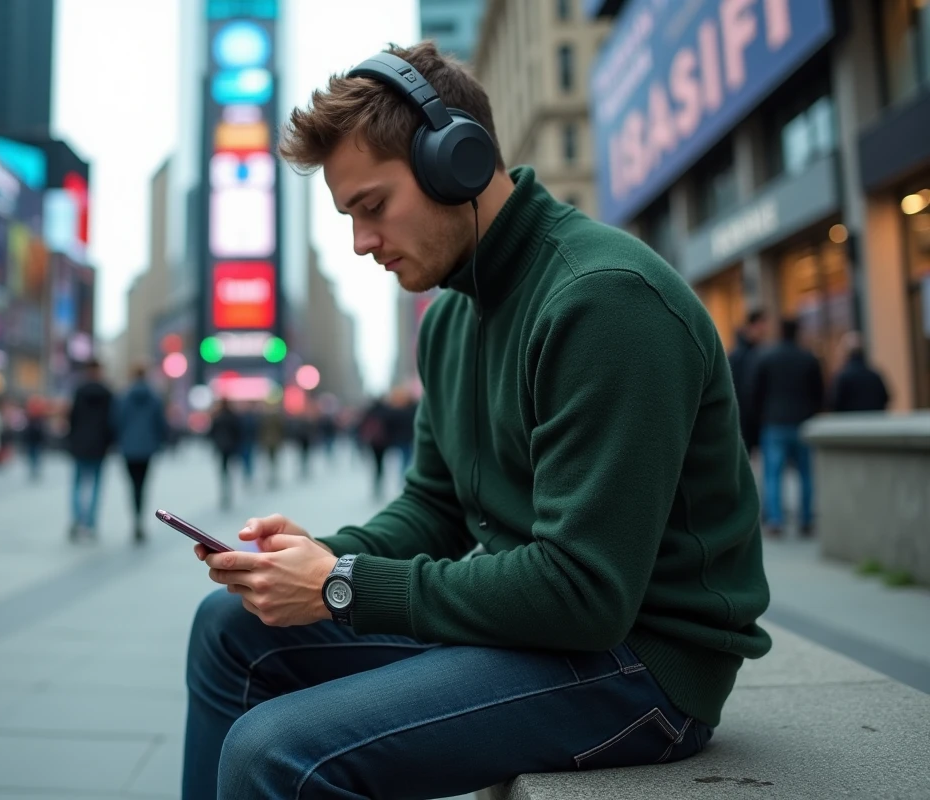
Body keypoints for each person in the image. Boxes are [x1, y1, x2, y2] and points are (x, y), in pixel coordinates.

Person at [181, 42, 771, 799]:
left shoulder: (604, 302)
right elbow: (434, 507)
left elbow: (584, 592)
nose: (362, 243)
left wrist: (341, 587)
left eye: (372, 207)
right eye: (348, 216)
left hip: (641, 665)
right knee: (227, 629)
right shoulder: (450, 321)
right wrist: (311, 559)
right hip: (541, 624)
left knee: (272, 751)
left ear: (457, 161)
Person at [750, 318, 824, 539]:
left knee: (773, 474)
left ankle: (775, 520)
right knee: (806, 474)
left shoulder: (766, 357)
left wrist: (761, 417)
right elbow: (819, 393)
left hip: (774, 423)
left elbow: (754, 392)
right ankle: (806, 520)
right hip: (802, 423)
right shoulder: (808, 358)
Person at [111, 365, 168, 543]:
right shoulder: (154, 397)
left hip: (128, 448)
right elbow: (160, 424)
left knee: (132, 485)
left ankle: (135, 519)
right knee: (143, 485)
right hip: (148, 448)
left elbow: (116, 421)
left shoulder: (124, 397)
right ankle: (140, 520)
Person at [67, 359, 114, 539]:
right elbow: (111, 421)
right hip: (99, 446)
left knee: (78, 485)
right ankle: (91, 523)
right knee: (95, 485)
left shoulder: (79, 390)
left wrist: (71, 440)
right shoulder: (107, 392)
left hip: (79, 444)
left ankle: (77, 520)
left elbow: (73, 418)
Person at [728, 309, 767, 452]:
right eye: (762, 325)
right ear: (753, 326)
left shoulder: (757, 352)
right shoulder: (741, 355)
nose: (765, 330)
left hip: (752, 420)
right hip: (744, 419)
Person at [829, 331, 889, 413]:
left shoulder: (842, 377)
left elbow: (834, 404)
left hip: (849, 423)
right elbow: (885, 398)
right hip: (873, 422)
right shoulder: (874, 375)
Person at [208, 399, 242, 510]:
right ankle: (228, 492)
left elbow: (211, 433)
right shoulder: (233, 417)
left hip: (221, 447)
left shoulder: (217, 417)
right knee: (229, 470)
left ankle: (224, 492)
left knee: (223, 470)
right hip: (230, 447)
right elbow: (238, 432)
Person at [257, 404, 286, 489]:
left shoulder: (265, 418)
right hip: (273, 441)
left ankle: (272, 475)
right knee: (273, 459)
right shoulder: (275, 418)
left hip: (270, 441)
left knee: (271, 459)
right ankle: (272, 475)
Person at [23, 397, 48, 482]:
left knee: (35, 456)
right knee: (33, 456)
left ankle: (35, 469)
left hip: (36, 441)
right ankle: (34, 469)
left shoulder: (39, 419)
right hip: (32, 440)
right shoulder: (31, 419)